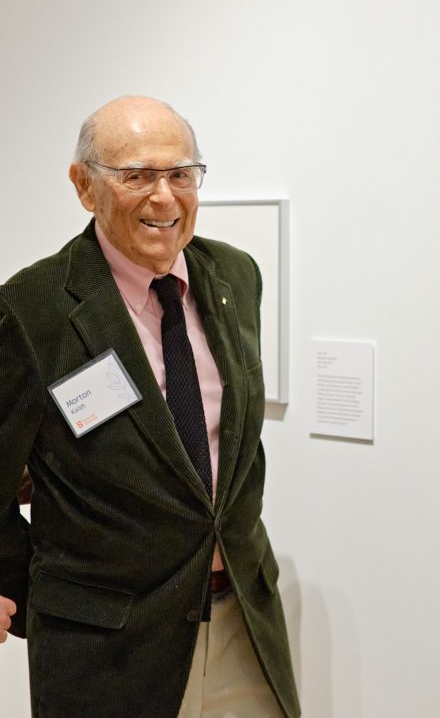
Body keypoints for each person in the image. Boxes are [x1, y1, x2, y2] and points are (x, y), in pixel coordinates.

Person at [0, 96, 301, 718]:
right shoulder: (32, 309)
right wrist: (22, 584)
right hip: (109, 647)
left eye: (180, 174)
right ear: (85, 187)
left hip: (243, 618)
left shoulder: (234, 277)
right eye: (136, 176)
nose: (164, 197)